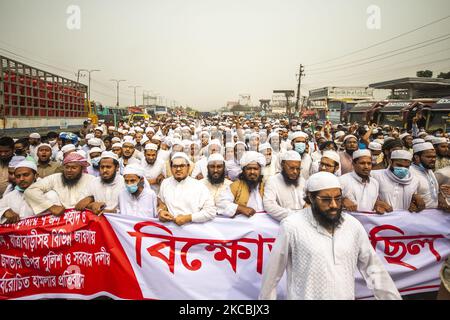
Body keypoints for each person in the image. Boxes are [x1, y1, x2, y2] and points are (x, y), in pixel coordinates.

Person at [259, 171, 401, 300]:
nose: (333, 205)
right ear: (311, 198)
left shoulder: (353, 226)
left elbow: (374, 270)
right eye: (326, 200)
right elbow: (271, 276)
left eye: (338, 199)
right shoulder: (292, 226)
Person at [24, 152, 95, 216]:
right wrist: (51, 207)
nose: (69, 170)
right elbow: (30, 191)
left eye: (74, 168)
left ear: (81, 168)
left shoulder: (91, 179)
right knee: (51, 194)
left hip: (83, 217)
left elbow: (102, 194)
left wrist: (90, 198)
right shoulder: (55, 178)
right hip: (59, 218)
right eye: (67, 167)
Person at [157, 152, 216, 226]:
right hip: (169, 232)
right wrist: (160, 211)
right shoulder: (165, 183)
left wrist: (188, 218)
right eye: (175, 166)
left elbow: (211, 212)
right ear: (171, 167)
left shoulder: (199, 186)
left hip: (191, 232)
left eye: (182, 166)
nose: (178, 169)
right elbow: (161, 202)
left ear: (188, 167)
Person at [339, 149, 391, 214]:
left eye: (369, 163)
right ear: (353, 164)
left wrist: (377, 206)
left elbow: (372, 203)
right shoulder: (342, 180)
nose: (366, 166)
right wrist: (342, 200)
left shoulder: (374, 183)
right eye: (362, 163)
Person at [217, 151, 265, 218]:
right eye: (249, 169)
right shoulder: (235, 186)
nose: (252, 172)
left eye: (255, 169)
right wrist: (240, 208)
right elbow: (221, 203)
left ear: (260, 170)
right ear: (243, 171)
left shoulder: (266, 185)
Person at [263, 151, 306, 221]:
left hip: (304, 220)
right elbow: (269, 205)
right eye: (291, 168)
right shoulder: (273, 181)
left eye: (298, 169)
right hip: (284, 221)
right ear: (283, 165)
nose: (295, 172)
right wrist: (294, 215)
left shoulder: (302, 181)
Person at [409, 142, 439, 209]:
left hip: (434, 214)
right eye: (429, 157)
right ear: (417, 157)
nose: (433, 159)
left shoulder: (428, 170)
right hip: (419, 215)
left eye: (434, 157)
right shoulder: (410, 172)